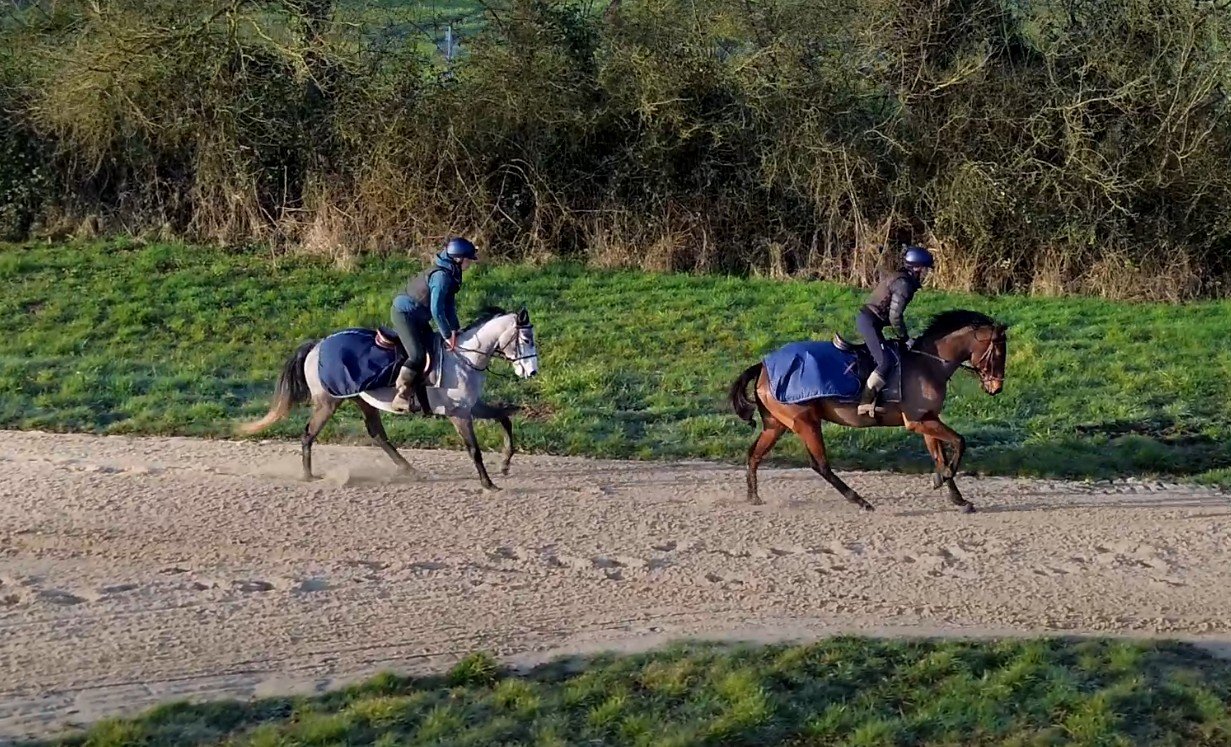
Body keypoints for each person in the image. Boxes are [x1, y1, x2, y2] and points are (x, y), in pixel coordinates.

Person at [389, 237, 479, 413]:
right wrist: (446, 334)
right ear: (458, 259)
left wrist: (455, 330)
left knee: (433, 350)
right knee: (417, 355)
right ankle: (400, 396)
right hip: (404, 315)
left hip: (419, 317)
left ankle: (425, 401)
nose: (470, 263)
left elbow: (448, 306)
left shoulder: (451, 273)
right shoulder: (441, 277)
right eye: (468, 259)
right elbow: (436, 309)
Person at [855, 245, 934, 416]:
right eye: (925, 269)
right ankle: (865, 402)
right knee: (886, 361)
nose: (926, 274)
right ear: (917, 268)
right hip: (869, 322)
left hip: (872, 321)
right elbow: (895, 317)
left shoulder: (902, 279)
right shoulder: (904, 284)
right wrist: (905, 338)